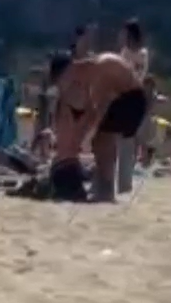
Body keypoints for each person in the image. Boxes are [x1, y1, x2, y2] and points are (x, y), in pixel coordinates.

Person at [49, 50, 148, 203]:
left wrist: (88, 136)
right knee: (100, 140)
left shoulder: (99, 69)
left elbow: (102, 106)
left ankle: (106, 190)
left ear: (69, 70)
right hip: (124, 98)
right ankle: (103, 187)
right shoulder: (87, 73)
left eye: (63, 80)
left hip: (132, 99)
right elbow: (92, 109)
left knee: (103, 140)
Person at [115, 19, 151, 196]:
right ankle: (123, 181)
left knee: (128, 140)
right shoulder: (135, 53)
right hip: (130, 95)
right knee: (126, 141)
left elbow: (132, 74)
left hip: (131, 95)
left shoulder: (134, 54)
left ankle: (124, 182)